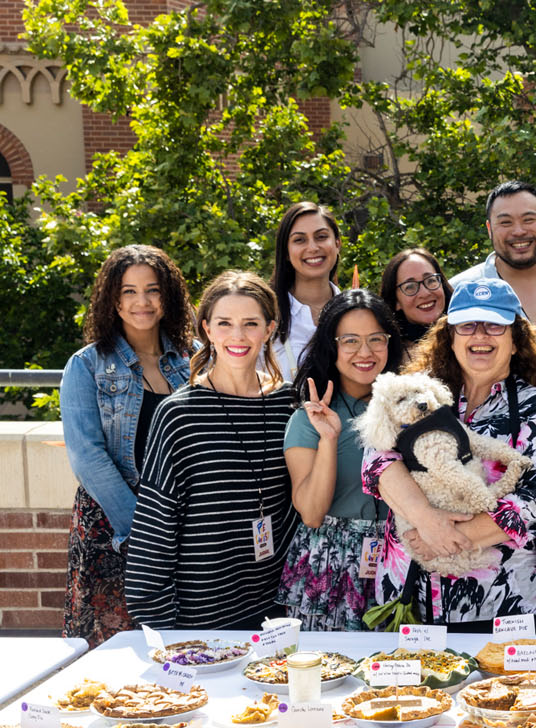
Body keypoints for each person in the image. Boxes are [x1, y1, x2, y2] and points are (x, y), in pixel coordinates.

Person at [362, 278, 536, 630]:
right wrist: (427, 521)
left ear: (516, 341)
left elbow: (535, 500)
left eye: (494, 325)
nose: (480, 336)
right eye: (468, 325)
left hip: (507, 603)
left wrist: (444, 541)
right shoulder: (417, 391)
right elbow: (377, 461)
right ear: (451, 336)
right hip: (415, 594)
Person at [124, 271, 297, 630]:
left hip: (279, 610)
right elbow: (156, 525)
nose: (237, 336)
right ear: (206, 329)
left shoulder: (288, 403)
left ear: (269, 330)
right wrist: (160, 628)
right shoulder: (178, 413)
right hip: (203, 615)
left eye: (251, 323)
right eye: (224, 323)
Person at [60, 245, 193, 646]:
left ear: (167, 296)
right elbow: (87, 457)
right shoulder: (87, 365)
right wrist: (142, 530)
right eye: (129, 291)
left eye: (152, 290)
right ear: (112, 299)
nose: (142, 302)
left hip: (182, 522)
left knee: (184, 648)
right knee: (118, 655)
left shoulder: (194, 360)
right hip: (116, 526)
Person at [278, 290, 404, 631]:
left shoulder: (411, 407)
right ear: (331, 346)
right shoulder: (309, 419)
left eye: (376, 339)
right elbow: (312, 513)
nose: (365, 352)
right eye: (350, 340)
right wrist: (329, 438)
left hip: (402, 558)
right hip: (331, 563)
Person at [451, 180, 536, 381]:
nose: (518, 231)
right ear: (489, 228)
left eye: (528, 219)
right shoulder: (457, 292)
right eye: (505, 222)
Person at [268, 201, 342, 377]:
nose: (313, 247)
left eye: (321, 237)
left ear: (337, 244)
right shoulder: (266, 314)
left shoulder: (357, 312)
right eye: (299, 240)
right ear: (286, 252)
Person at [379, 248, 448, 348]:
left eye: (431, 280)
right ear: (396, 301)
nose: (424, 293)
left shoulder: (472, 334)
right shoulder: (387, 355)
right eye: (410, 287)